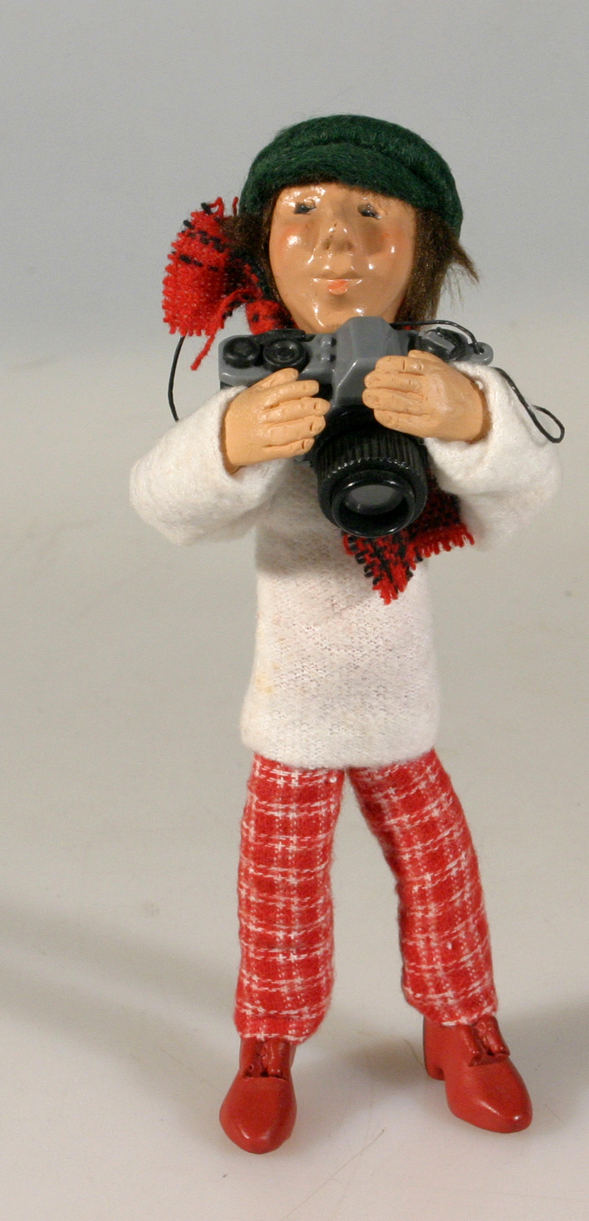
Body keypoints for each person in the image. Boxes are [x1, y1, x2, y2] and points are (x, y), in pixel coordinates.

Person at [130, 114, 560, 1153]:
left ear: (423, 256)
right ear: (260, 244)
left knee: (441, 870)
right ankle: (268, 1044)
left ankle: (463, 1024)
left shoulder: (442, 375)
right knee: (279, 890)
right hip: (294, 703)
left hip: (401, 701)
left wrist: (468, 420)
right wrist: (235, 439)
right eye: (305, 212)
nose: (338, 241)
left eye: (374, 215)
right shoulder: (270, 385)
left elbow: (525, 496)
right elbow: (162, 504)